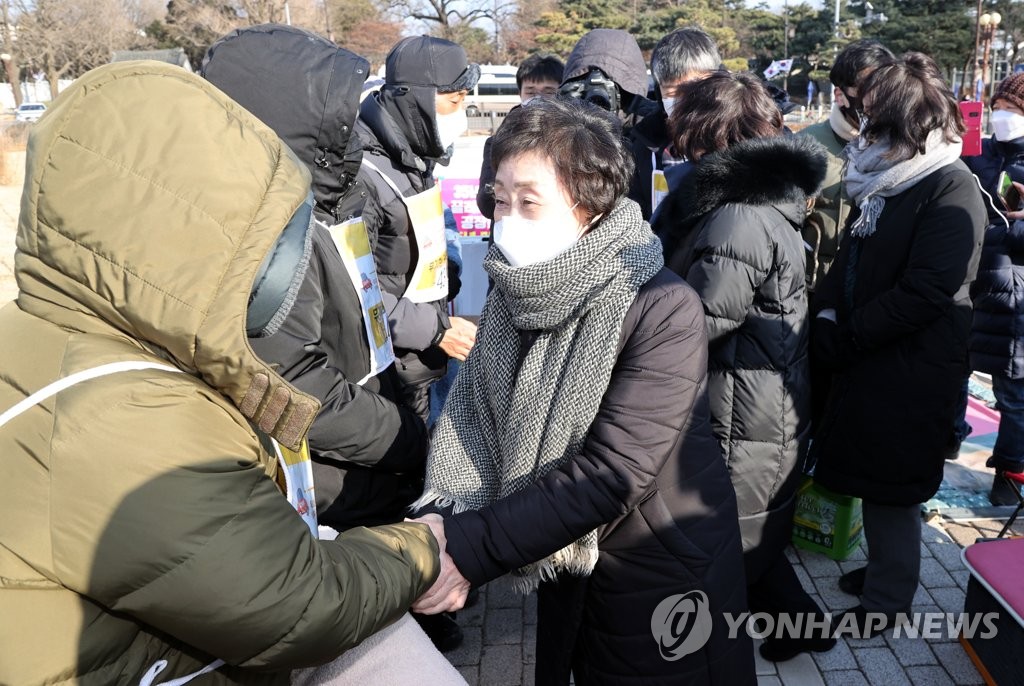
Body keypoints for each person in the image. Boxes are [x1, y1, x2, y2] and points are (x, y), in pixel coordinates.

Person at [0, 61, 460, 685]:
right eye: (265, 244)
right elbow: (302, 605)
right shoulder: (132, 417)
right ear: (187, 246)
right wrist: (422, 546)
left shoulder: (51, 328)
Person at [413, 96, 754, 685]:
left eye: (529, 201)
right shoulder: (517, 290)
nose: (508, 219)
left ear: (590, 206)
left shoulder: (662, 304)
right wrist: (442, 518)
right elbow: (475, 419)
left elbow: (610, 469)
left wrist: (467, 549)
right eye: (500, 198)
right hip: (568, 558)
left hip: (658, 565)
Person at [201, 24, 429, 531]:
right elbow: (293, 385)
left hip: (364, 466)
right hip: (329, 490)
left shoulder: (316, 198)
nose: (352, 126)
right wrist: (410, 439)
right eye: (338, 114)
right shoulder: (264, 235)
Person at [654, 71, 834, 662]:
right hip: (755, 398)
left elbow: (702, 317)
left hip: (740, 408)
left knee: (733, 537)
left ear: (709, 133)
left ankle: (715, 650)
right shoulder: (757, 198)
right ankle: (798, 629)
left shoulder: (738, 214)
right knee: (750, 532)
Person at [809, 53, 986, 636]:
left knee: (894, 484)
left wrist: (851, 333)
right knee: (874, 469)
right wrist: (828, 311)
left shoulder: (950, 186)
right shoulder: (887, 175)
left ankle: (888, 599)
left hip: (912, 358)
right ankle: (886, 568)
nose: (865, 130)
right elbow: (851, 256)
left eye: (877, 119)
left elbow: (929, 289)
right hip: (874, 350)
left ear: (909, 123)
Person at [337, 36, 480, 424]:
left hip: (420, 361)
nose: (461, 113)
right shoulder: (362, 171)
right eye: (454, 101)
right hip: (387, 372)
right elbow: (351, 287)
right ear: (416, 98)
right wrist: (434, 330)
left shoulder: (413, 158)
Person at [962, 72, 1024, 504]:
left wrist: (1004, 232)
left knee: (1014, 391)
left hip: (1017, 296)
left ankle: (1010, 471)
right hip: (968, 285)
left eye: (1014, 110)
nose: (1004, 116)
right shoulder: (977, 152)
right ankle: (946, 439)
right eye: (1000, 107)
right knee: (951, 374)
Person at [798, 39, 895, 292]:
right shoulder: (804, 145)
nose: (877, 96)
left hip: (877, 293)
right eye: (867, 86)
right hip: (815, 290)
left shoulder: (906, 149)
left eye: (885, 84)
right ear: (840, 95)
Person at [628, 26, 722, 220]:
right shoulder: (645, 144)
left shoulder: (740, 134)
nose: (683, 101)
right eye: (671, 93)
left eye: (693, 90)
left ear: (716, 82)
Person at [476, 53, 564, 221]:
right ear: (520, 93)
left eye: (548, 92)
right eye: (530, 92)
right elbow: (486, 204)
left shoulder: (574, 140)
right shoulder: (497, 142)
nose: (538, 98)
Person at [558, 28, 657, 139]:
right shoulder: (559, 127)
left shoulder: (651, 129)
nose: (596, 92)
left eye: (609, 79)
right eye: (584, 77)